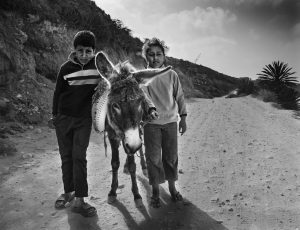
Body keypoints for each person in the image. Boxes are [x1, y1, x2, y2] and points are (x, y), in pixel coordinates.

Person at [49, 30, 101, 217]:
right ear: (75, 51)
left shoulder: (99, 68)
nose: (84, 55)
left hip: (83, 120)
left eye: (88, 51)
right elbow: (57, 93)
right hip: (63, 118)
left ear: (94, 51)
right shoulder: (66, 68)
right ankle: (68, 192)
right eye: (81, 51)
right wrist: (54, 115)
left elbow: (107, 88)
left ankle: (80, 199)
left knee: (79, 156)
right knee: (66, 157)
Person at [141, 38, 187, 208]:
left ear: (164, 56)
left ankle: (172, 187)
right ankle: (155, 191)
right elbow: (144, 96)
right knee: (153, 158)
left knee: (171, 157)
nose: (155, 58)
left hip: (170, 122)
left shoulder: (171, 74)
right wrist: (150, 110)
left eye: (159, 54)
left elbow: (179, 96)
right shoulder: (143, 76)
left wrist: (183, 118)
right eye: (151, 54)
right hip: (151, 124)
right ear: (146, 56)